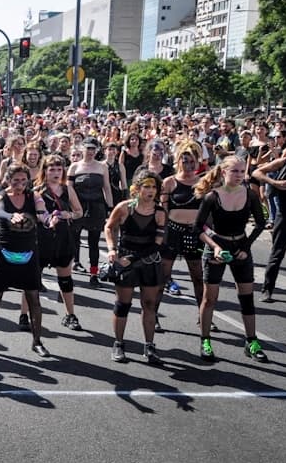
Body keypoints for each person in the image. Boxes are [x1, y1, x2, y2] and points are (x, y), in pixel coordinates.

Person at [194, 157, 269, 362]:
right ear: (224, 172)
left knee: (247, 297)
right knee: (210, 299)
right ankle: (205, 341)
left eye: (242, 171)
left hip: (241, 249)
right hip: (217, 248)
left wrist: (245, 247)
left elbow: (261, 223)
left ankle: (251, 342)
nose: (239, 175)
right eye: (234, 171)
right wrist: (216, 248)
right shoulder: (212, 197)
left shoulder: (251, 195)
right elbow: (197, 228)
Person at [0, 163, 50, 358]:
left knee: (34, 298)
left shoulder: (34, 196)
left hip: (28, 253)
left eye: (24, 180)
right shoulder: (1, 196)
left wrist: (46, 217)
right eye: (16, 181)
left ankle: (37, 341)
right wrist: (10, 215)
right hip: (4, 253)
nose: (20, 184)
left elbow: (42, 211)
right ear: (8, 180)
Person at [103, 169, 167, 364]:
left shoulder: (159, 212)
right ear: (137, 189)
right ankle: (119, 344)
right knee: (123, 304)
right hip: (125, 260)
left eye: (154, 187)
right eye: (146, 187)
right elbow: (109, 227)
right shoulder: (124, 208)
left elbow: (157, 243)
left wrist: (132, 258)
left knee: (149, 304)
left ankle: (149, 346)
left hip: (148, 261)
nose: (150, 191)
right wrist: (112, 249)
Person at [34, 154, 84, 331]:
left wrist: (67, 214)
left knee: (65, 278)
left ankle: (70, 314)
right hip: (42, 237)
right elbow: (31, 213)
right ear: (45, 171)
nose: (56, 172)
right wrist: (45, 219)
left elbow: (79, 212)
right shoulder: (37, 190)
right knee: (32, 279)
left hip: (63, 237)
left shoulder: (68, 189)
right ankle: (25, 315)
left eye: (59, 169)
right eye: (52, 169)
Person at [160, 140, 207, 323]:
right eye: (184, 161)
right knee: (163, 276)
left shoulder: (202, 182)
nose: (188, 165)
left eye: (191, 162)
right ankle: (153, 315)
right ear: (178, 161)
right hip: (172, 231)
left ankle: (204, 316)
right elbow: (162, 211)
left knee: (197, 275)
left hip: (194, 234)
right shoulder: (169, 182)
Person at [68, 137, 113, 285]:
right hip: (78, 207)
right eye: (88, 148)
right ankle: (73, 265)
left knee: (94, 243)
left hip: (97, 207)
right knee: (74, 239)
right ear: (82, 149)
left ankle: (93, 274)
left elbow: (106, 187)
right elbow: (69, 188)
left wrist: (110, 208)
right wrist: (71, 208)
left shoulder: (102, 167)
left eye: (93, 149)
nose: (90, 152)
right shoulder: (74, 167)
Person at [253, 152, 286, 303]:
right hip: (285, 214)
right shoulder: (285, 161)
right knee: (277, 253)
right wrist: (274, 183)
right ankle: (267, 289)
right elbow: (257, 172)